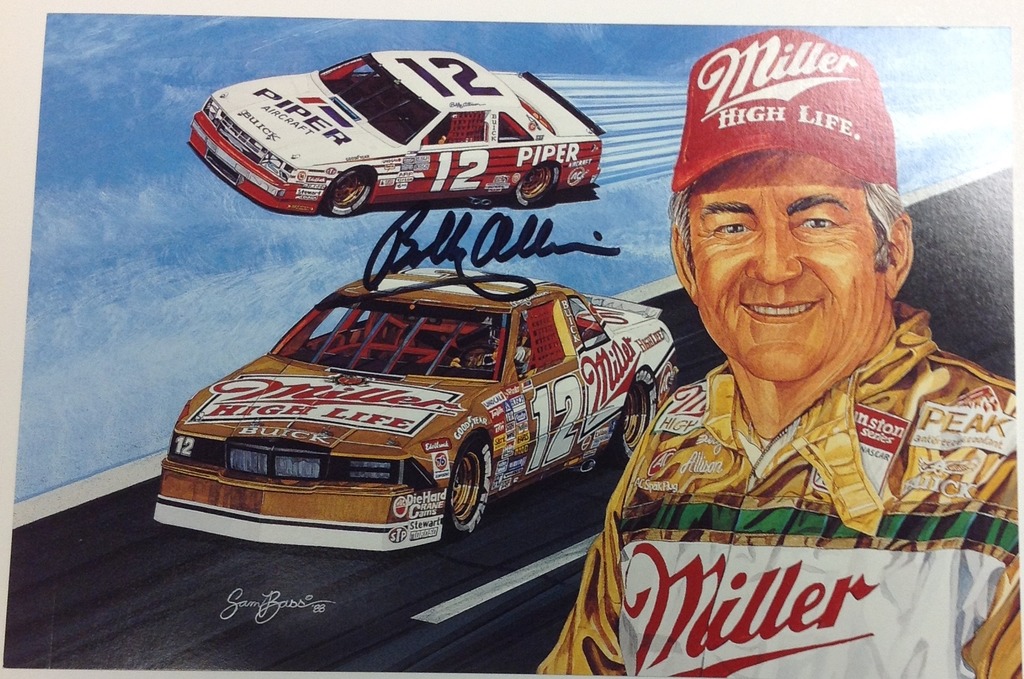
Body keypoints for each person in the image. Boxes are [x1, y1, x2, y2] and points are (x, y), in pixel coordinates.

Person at [539, 29, 1018, 678]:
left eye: (816, 220)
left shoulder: (998, 460)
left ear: (893, 250)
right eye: (732, 224)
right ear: (687, 259)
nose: (773, 266)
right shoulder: (673, 439)